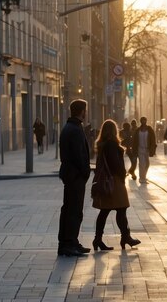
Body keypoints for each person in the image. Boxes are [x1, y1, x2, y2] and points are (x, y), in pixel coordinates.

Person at [91, 119, 141, 251]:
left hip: (109, 181)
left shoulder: (103, 144)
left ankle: (98, 239)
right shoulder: (111, 144)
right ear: (113, 131)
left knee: (105, 211)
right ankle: (125, 237)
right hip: (114, 182)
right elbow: (115, 164)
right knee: (121, 209)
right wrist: (123, 174)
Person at [57, 99, 91, 256]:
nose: (87, 113)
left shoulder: (69, 127)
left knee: (68, 209)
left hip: (70, 175)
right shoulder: (75, 129)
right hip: (75, 176)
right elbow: (79, 155)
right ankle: (69, 243)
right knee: (74, 211)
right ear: (81, 111)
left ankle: (68, 242)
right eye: (85, 110)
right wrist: (85, 172)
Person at [132, 117, 157, 184]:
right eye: (142, 120)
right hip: (140, 149)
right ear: (140, 121)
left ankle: (144, 176)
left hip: (147, 149)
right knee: (142, 164)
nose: (143, 121)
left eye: (144, 120)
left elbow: (153, 139)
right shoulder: (138, 130)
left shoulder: (149, 129)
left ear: (146, 121)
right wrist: (134, 150)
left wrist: (153, 148)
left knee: (147, 164)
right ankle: (142, 178)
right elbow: (134, 141)